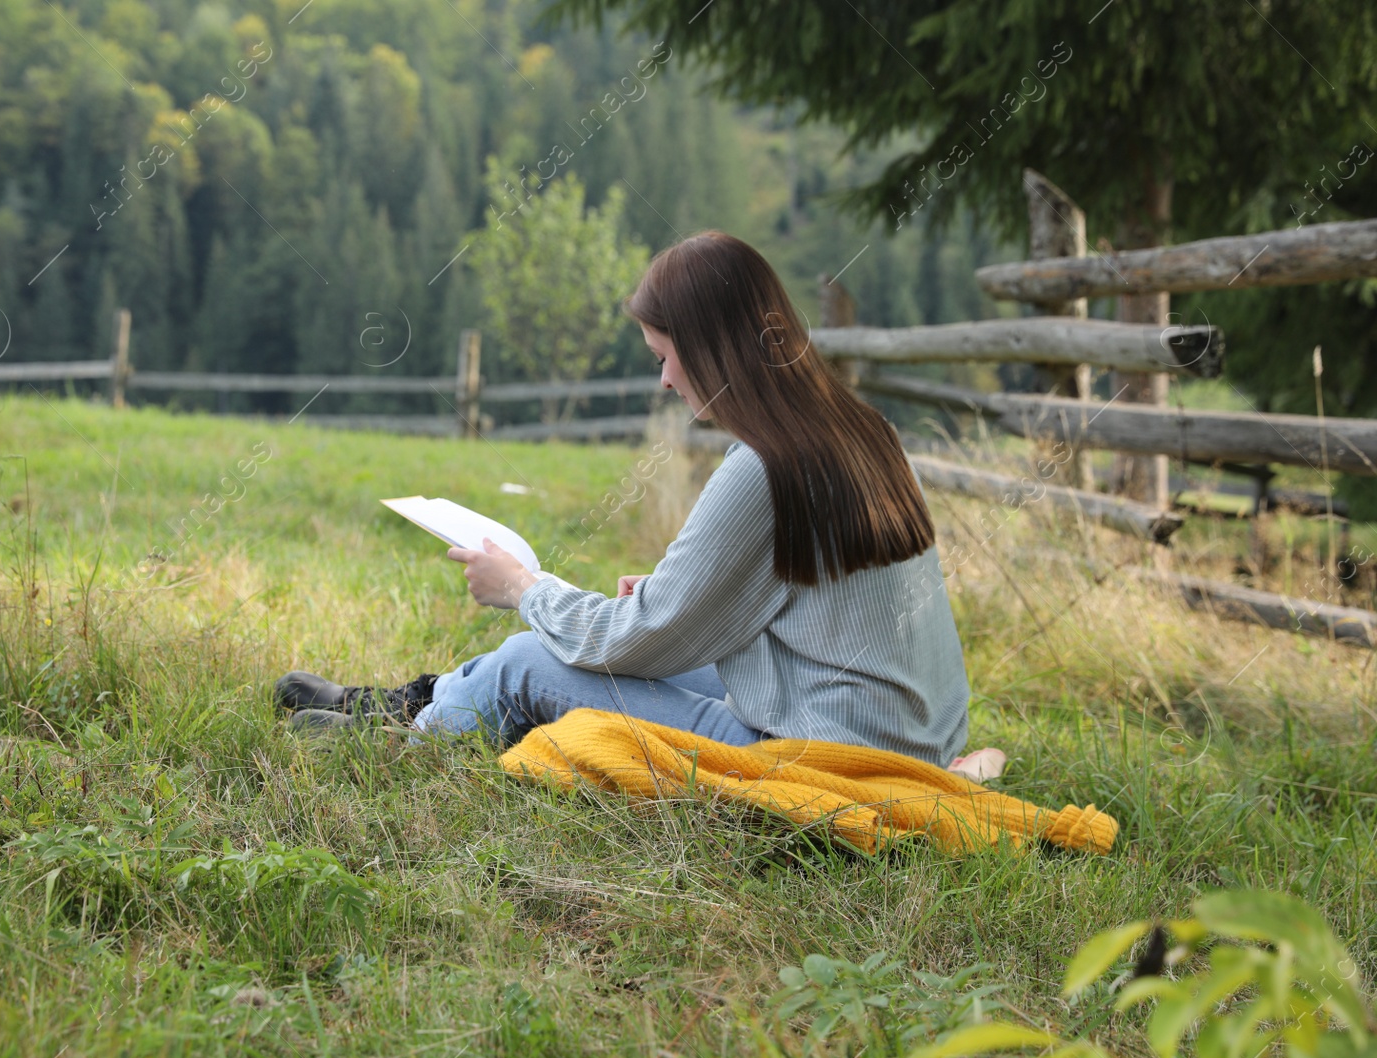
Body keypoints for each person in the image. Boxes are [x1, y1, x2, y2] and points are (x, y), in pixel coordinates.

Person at [274, 231, 1006, 782]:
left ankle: (409, 744)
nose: (663, 380)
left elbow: (641, 639)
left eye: (665, 354)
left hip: (824, 755)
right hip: (906, 733)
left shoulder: (765, 468)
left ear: (716, 349)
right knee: (574, 638)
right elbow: (783, 610)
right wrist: (662, 605)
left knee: (533, 654)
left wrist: (523, 590)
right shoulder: (863, 429)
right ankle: (423, 700)